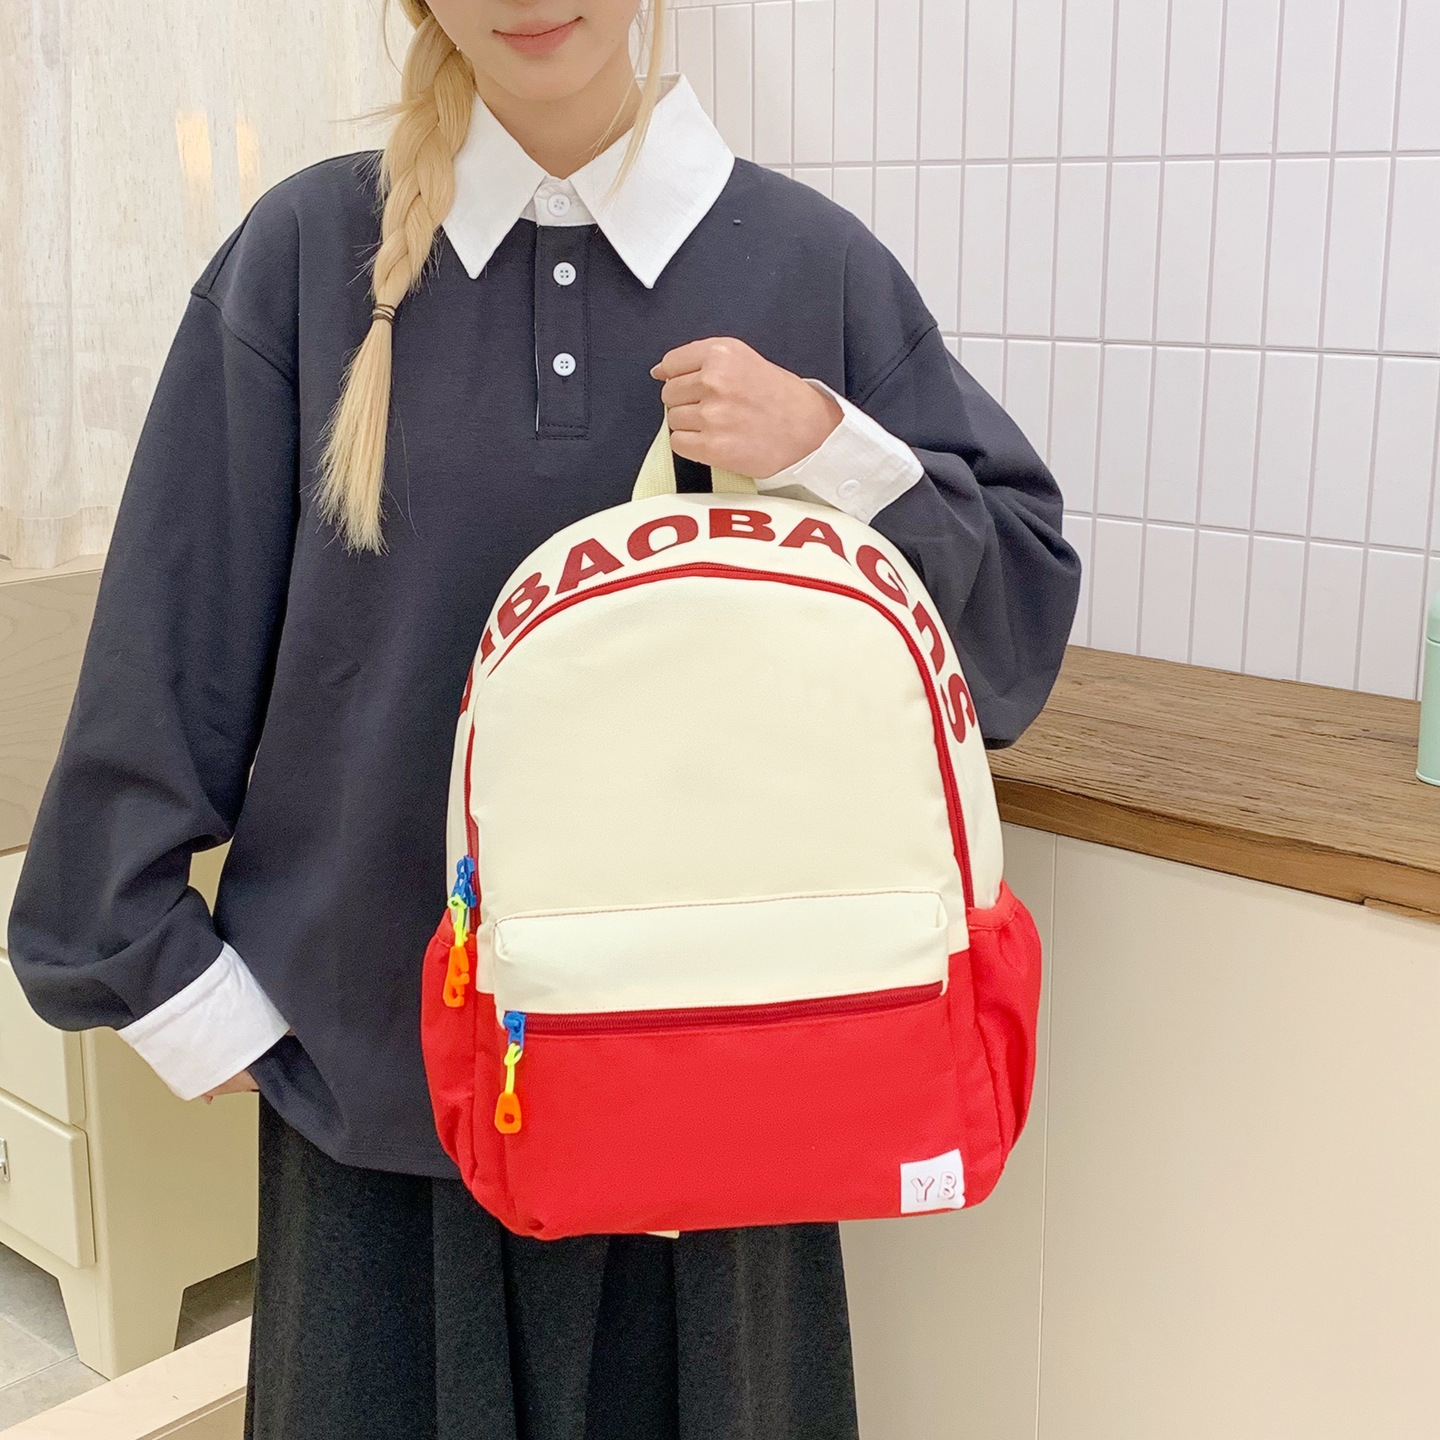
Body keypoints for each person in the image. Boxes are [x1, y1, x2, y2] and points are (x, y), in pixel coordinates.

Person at [8, 2, 1081, 1436]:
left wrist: (832, 448)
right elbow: (166, 648)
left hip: (734, 1121)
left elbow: (1009, 636)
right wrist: (186, 997)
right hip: (385, 1135)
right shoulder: (306, 260)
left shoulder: (809, 265)